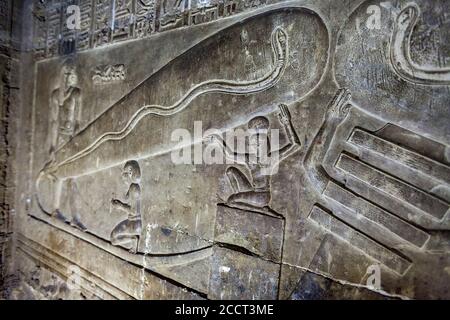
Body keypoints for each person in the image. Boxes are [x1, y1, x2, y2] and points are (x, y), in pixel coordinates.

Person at [208, 104, 300, 213]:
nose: (256, 146)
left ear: (267, 143)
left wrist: (287, 123)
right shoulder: (249, 159)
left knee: (231, 201)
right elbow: (229, 155)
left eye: (259, 142)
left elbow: (295, 145)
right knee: (230, 171)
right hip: (252, 192)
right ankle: (241, 200)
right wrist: (218, 141)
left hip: (262, 197)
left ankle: (261, 209)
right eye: (253, 143)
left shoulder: (270, 159)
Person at [110, 160, 143, 253]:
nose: (125, 176)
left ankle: (133, 240)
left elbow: (134, 211)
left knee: (113, 239)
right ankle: (133, 240)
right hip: (133, 222)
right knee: (113, 237)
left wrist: (120, 205)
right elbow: (127, 199)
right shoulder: (132, 186)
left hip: (133, 223)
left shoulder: (134, 188)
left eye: (128, 173)